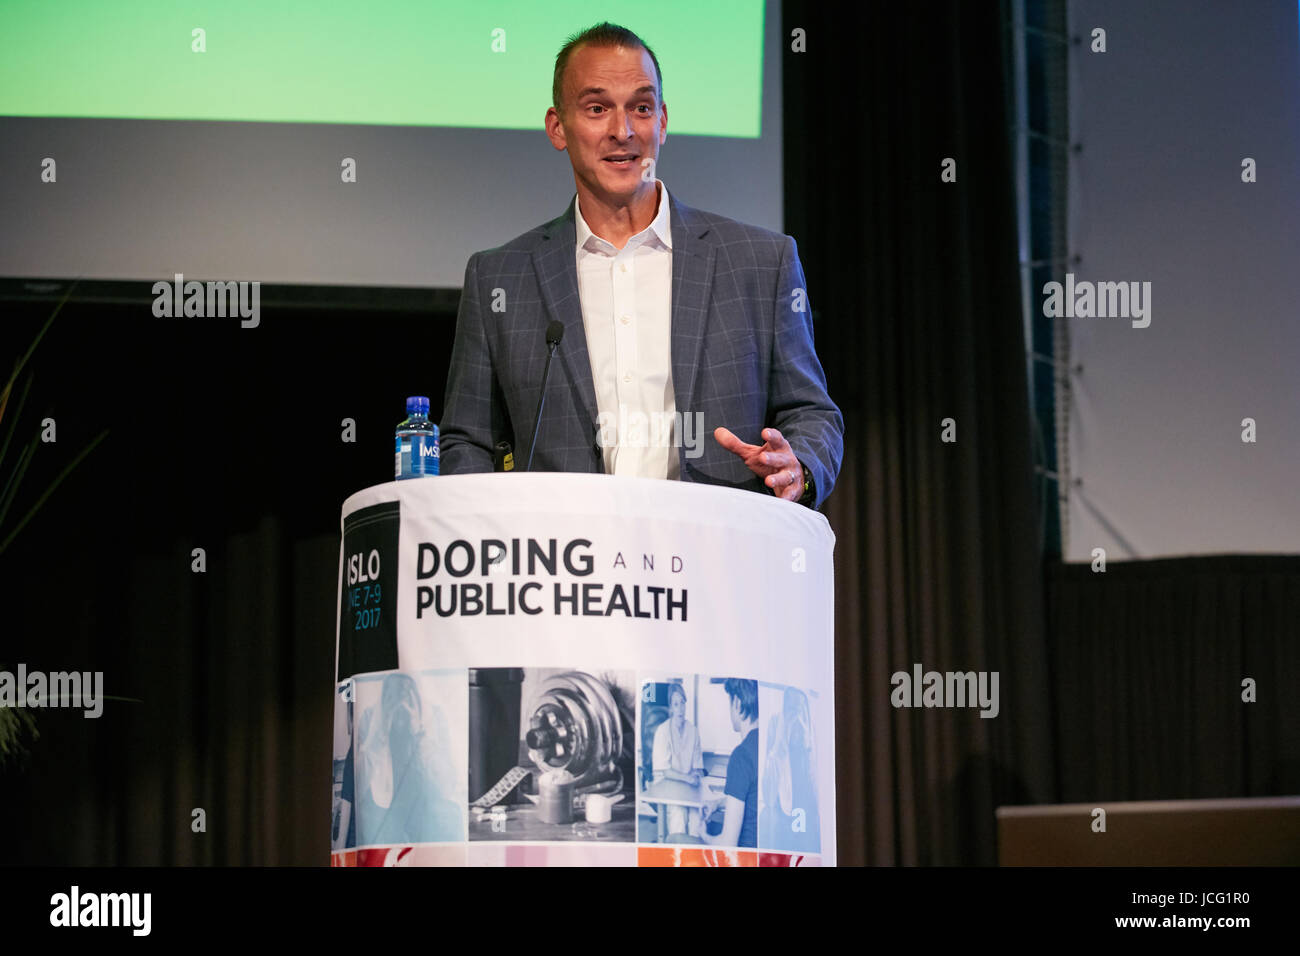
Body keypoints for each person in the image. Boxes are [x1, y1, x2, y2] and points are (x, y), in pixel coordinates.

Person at [439, 22, 844, 509]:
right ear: (557, 127)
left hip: (715, 557)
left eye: (641, 108)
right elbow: (467, 442)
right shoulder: (499, 279)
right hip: (562, 567)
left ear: (663, 122)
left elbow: (812, 412)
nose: (623, 131)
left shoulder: (761, 263)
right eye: (596, 108)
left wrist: (797, 465)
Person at [702, 678, 758, 848]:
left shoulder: (741, 756)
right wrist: (718, 803)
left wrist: (702, 833)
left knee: (674, 840)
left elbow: (727, 844)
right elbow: (751, 799)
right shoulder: (770, 745)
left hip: (744, 857)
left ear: (737, 703)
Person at [651, 682, 704, 837]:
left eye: (682, 703)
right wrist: (687, 778)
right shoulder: (662, 731)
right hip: (668, 785)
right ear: (670, 708)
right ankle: (678, 854)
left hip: (688, 787)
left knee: (697, 816)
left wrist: (695, 775)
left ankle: (694, 856)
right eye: (675, 704)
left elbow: (697, 765)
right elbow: (665, 771)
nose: (680, 708)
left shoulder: (693, 731)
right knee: (678, 816)